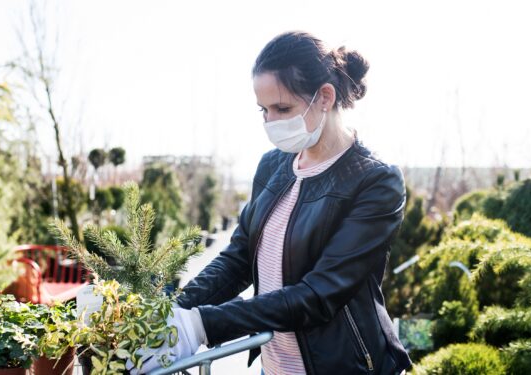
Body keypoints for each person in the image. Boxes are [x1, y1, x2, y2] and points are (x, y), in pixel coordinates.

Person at [137, 31, 412, 375]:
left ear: (324, 97)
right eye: (263, 110)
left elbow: (318, 295)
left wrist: (201, 325)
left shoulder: (374, 181)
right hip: (277, 366)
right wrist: (171, 312)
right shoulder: (273, 166)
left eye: (282, 108)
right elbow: (237, 259)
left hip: (347, 366)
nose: (270, 122)